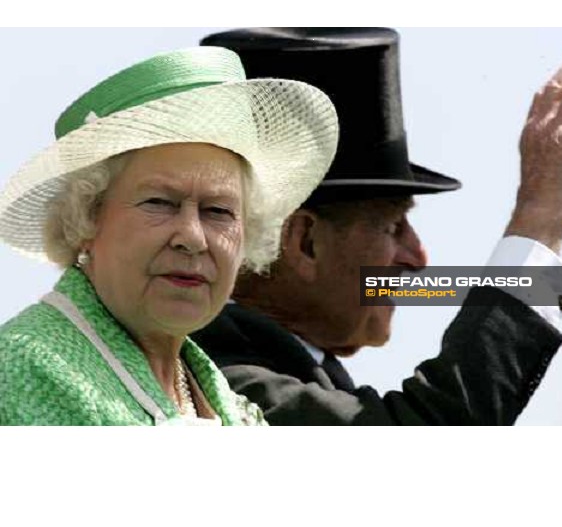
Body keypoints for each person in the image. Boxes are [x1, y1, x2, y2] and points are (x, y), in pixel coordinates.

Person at [193, 27, 562, 425]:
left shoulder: (274, 371)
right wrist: (541, 215)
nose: (418, 258)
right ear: (306, 242)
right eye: (393, 227)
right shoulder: (218, 381)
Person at [0, 45, 339, 425]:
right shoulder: (22, 369)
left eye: (218, 212)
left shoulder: (230, 405)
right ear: (87, 219)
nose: (192, 237)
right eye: (159, 203)